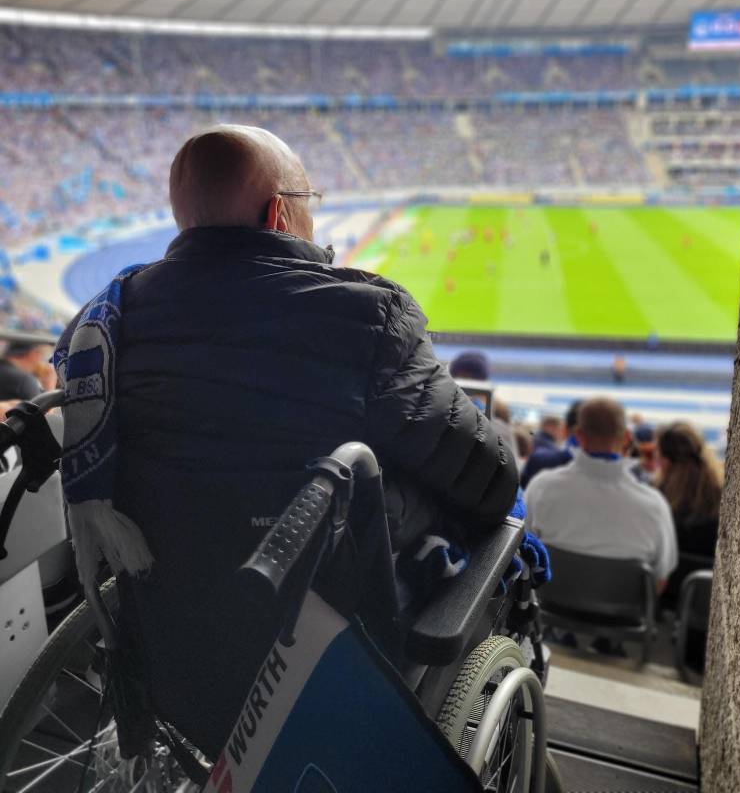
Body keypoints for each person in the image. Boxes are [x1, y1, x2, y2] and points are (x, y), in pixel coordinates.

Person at [56, 125, 519, 750]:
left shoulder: (99, 330)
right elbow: (489, 481)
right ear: (279, 211)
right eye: (308, 198)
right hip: (325, 659)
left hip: (170, 651)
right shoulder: (369, 315)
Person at [526, 398, 678, 593]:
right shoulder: (655, 506)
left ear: (578, 435)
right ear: (626, 437)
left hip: (549, 614)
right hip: (624, 618)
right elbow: (659, 580)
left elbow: (527, 553)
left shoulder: (542, 488)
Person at [657, 422, 722, 560]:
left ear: (665, 461)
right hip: (707, 579)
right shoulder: (722, 495)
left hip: (668, 578)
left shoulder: (657, 498)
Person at [520, 413, 567, 489]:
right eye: (560, 428)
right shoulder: (550, 450)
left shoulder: (532, 440)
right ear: (550, 427)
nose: (562, 432)